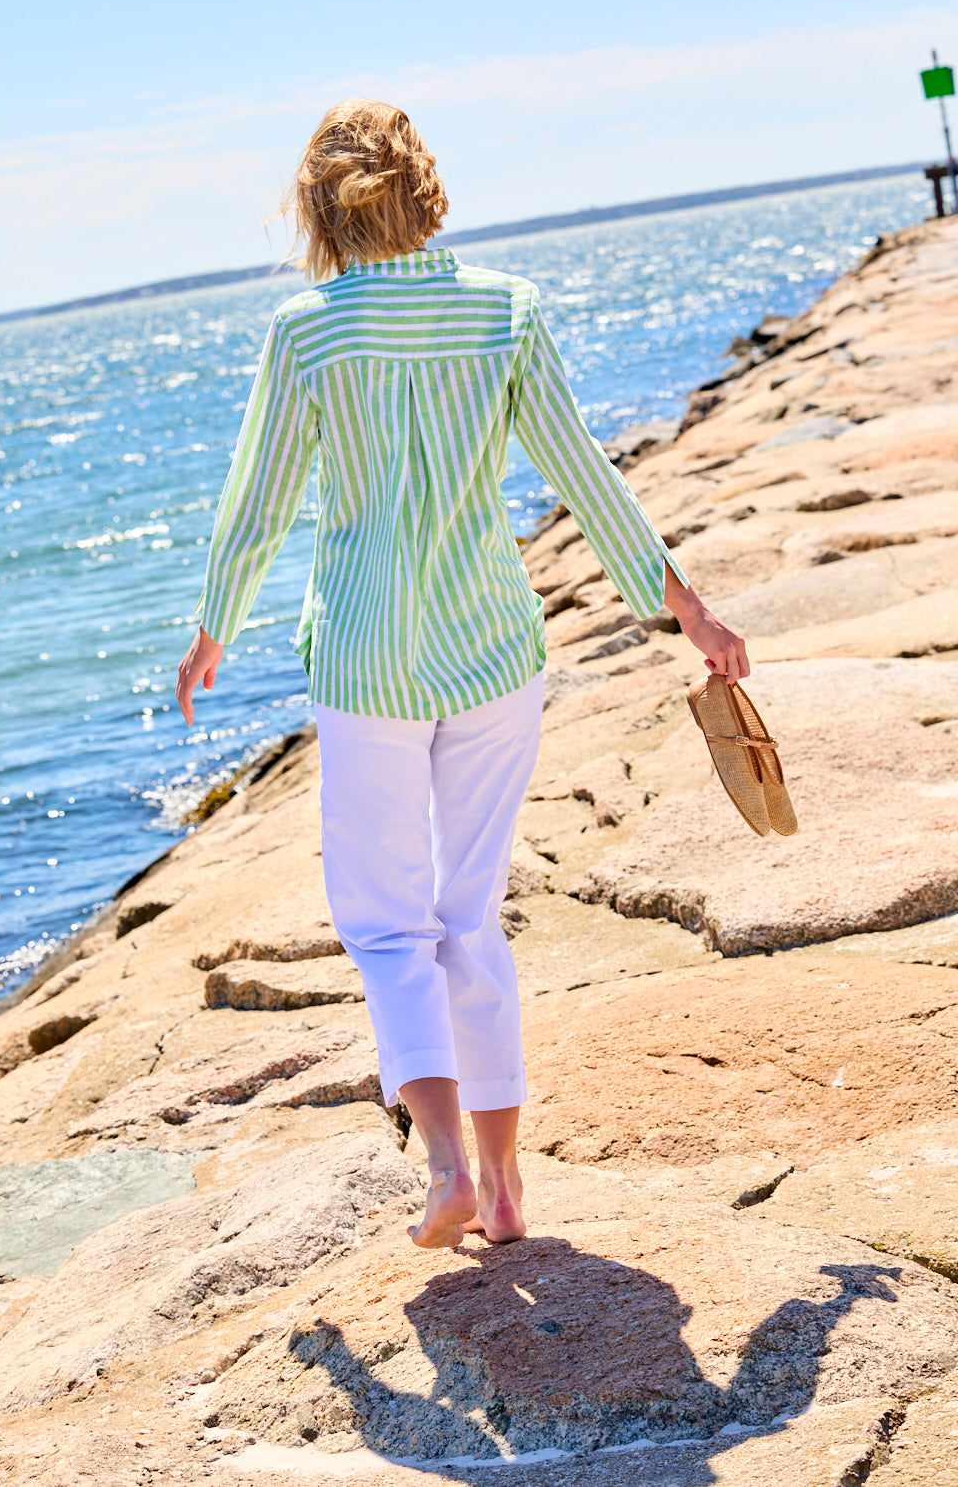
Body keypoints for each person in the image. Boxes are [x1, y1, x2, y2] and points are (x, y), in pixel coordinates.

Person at [176, 99, 748, 1251]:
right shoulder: (507, 311)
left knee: (390, 928)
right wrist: (680, 602)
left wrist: (212, 626)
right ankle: (505, 1187)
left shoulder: (307, 333)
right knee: (469, 918)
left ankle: (442, 1168)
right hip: (492, 647)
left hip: (366, 656)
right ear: (424, 190)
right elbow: (584, 475)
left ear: (318, 208)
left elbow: (261, 500)